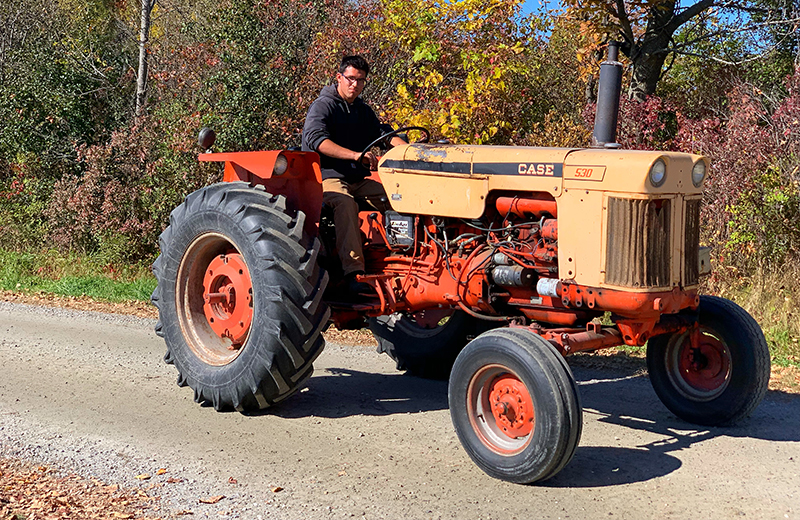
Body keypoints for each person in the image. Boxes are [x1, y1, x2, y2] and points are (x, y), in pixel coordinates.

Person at [302, 55, 405, 295]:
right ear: (339, 77)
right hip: (326, 177)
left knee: (401, 197)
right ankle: (354, 273)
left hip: (356, 179)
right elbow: (317, 141)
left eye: (360, 81)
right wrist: (355, 155)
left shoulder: (362, 111)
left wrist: (412, 150)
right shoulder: (323, 106)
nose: (355, 85)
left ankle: (400, 257)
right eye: (350, 79)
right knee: (344, 203)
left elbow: (384, 134)